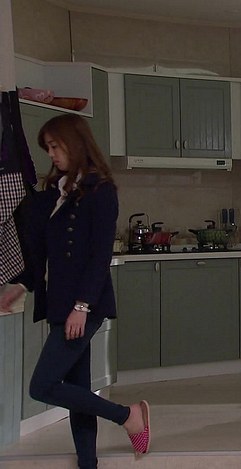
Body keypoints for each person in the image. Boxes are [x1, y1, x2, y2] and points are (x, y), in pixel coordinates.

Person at [0, 114, 150, 468]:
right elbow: (41, 254)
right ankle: (88, 463)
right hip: (58, 302)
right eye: (48, 148)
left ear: (75, 143)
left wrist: (81, 307)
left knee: (42, 385)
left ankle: (128, 416)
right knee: (77, 388)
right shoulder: (55, 192)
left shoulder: (101, 191)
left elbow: (99, 256)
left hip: (84, 305)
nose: (51, 154)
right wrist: (20, 285)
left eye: (55, 146)